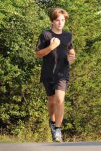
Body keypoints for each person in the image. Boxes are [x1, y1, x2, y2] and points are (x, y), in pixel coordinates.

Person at [35, 7, 75, 142]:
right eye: (58, 20)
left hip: (62, 72)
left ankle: (58, 129)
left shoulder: (68, 35)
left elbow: (70, 48)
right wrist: (51, 47)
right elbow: (38, 54)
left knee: (59, 99)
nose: (60, 23)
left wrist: (72, 55)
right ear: (52, 21)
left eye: (63, 20)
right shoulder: (46, 35)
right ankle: (52, 123)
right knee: (52, 101)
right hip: (48, 73)